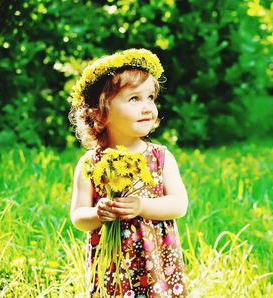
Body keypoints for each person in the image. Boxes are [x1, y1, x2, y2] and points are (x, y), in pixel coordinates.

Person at [69, 48, 188, 297]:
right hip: (113, 265)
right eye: (134, 99)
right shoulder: (91, 163)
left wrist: (141, 206)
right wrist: (98, 213)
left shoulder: (160, 157)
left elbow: (179, 204)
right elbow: (78, 216)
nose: (147, 107)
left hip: (156, 262)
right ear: (100, 112)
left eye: (151, 97)